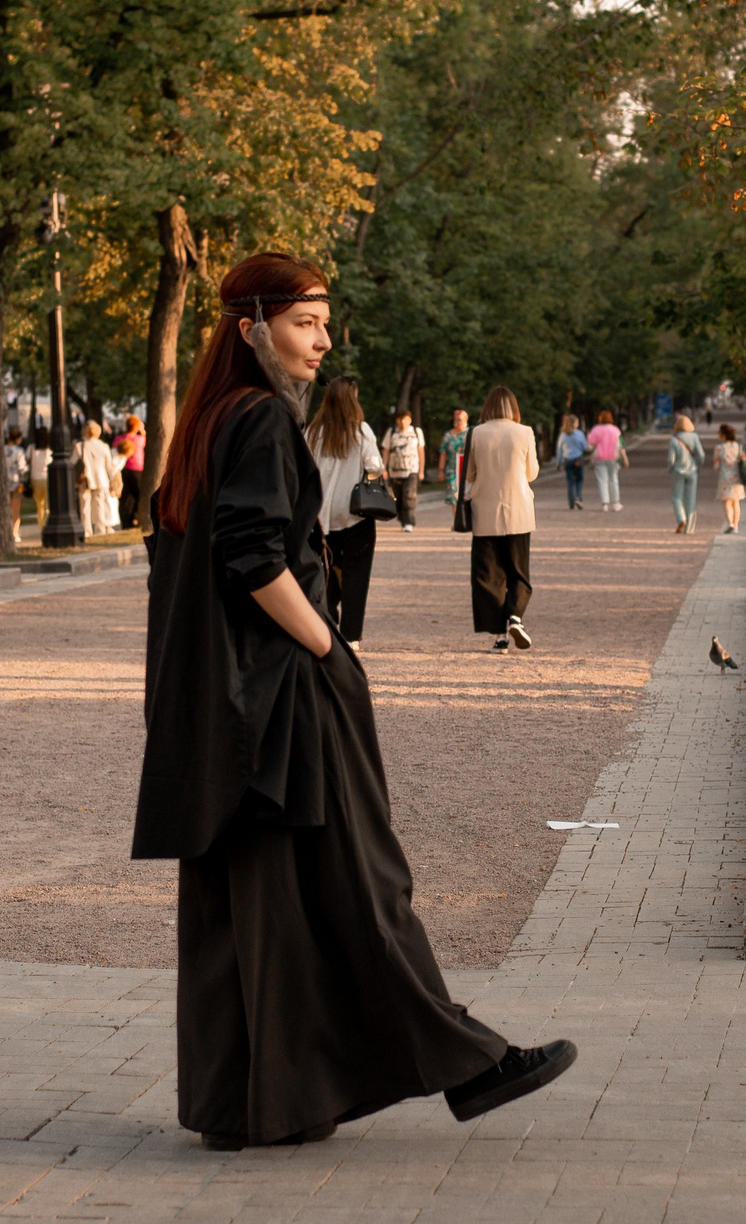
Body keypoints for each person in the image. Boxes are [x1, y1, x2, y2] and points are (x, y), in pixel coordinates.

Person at [131, 252, 575, 1150]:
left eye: (326, 322)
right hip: (284, 694)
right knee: (365, 882)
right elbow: (250, 558)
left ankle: (255, 1101)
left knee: (259, 900)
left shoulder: (209, 418)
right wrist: (329, 643)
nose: (323, 339)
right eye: (305, 322)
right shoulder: (258, 418)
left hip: (231, 707)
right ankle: (467, 1063)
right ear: (251, 325)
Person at [308, 377, 386, 650]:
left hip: (320, 517)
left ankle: (326, 624)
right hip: (354, 514)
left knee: (325, 572)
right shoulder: (361, 431)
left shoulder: (314, 431)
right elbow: (375, 466)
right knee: (356, 575)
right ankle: (351, 635)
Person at [464, 386, 540, 652]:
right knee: (518, 571)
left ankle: (499, 636)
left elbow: (470, 473)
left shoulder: (476, 433)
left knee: (489, 575)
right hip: (519, 510)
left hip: (485, 511)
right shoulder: (525, 432)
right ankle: (516, 618)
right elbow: (532, 473)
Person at [382, 408, 425, 531]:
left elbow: (421, 452)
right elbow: (385, 451)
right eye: (400, 419)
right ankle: (403, 519)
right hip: (395, 471)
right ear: (397, 420)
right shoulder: (391, 433)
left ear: (410, 420)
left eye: (405, 419)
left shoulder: (416, 432)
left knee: (409, 496)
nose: (403, 422)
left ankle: (409, 521)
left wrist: (421, 470)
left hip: (411, 470)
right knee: (397, 498)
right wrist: (383, 468)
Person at [76, 420, 119, 537]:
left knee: (85, 505)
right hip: (101, 478)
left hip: (85, 478)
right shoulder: (104, 446)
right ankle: (100, 529)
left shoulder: (79, 446)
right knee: (99, 504)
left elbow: (73, 462)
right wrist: (111, 481)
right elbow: (109, 466)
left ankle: (87, 530)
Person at [665, 414, 704, 533]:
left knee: (677, 497)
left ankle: (681, 519)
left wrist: (670, 468)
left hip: (678, 471)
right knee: (691, 499)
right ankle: (690, 528)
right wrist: (698, 465)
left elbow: (671, 459)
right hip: (692, 471)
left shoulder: (674, 439)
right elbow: (701, 454)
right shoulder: (695, 437)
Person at [713, 422, 746, 534]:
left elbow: (716, 465)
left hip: (725, 478)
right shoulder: (738, 447)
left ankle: (730, 523)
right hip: (737, 477)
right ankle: (736, 526)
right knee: (736, 502)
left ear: (723, 434)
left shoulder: (719, 448)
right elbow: (743, 459)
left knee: (727, 502)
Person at [586, 408, 624, 511]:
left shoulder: (595, 429)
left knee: (602, 480)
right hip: (613, 457)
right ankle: (616, 503)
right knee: (614, 480)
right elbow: (620, 445)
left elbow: (590, 444)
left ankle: (605, 504)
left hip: (599, 457)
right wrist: (624, 458)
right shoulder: (615, 430)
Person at [117, 414, 146, 531]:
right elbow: (145, 438)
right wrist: (142, 430)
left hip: (123, 470)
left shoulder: (119, 439)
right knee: (139, 495)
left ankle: (126, 520)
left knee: (127, 497)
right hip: (137, 469)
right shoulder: (139, 439)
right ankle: (136, 517)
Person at [438, 408, 470, 512]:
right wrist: (441, 470)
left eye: (460, 420)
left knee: (467, 495)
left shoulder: (470, 434)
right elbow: (443, 453)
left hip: (468, 470)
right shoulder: (448, 435)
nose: (458, 422)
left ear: (466, 420)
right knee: (454, 496)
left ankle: (466, 520)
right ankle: (457, 521)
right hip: (452, 470)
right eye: (456, 420)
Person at [556, 412, 589, 511]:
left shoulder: (562, 435)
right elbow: (585, 447)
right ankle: (578, 497)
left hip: (567, 460)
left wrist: (559, 462)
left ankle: (571, 502)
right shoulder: (579, 434)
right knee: (579, 480)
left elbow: (559, 449)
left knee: (570, 482)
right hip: (578, 459)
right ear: (574, 423)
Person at [4, 428, 28, 541]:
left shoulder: (2, 450)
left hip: (4, 482)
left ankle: (6, 531)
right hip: (16, 483)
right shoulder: (19, 451)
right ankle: (14, 532)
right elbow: (22, 468)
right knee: (15, 509)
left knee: (6, 508)